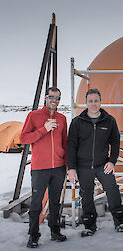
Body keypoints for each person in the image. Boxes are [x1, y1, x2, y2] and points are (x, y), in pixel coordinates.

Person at [67, 88, 123, 236]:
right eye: (90, 101)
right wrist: (72, 168)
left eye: (96, 101)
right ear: (86, 102)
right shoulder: (77, 122)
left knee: (113, 191)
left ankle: (119, 221)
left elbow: (115, 142)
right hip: (83, 166)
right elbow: (71, 145)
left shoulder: (109, 120)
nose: (93, 104)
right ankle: (89, 225)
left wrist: (112, 161)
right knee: (86, 195)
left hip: (103, 165)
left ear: (100, 102)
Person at [20, 87, 67, 248]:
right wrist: (43, 129)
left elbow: (65, 143)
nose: (55, 100)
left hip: (59, 168)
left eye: (58, 98)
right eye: (52, 97)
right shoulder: (34, 116)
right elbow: (24, 138)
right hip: (40, 168)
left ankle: (55, 231)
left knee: (55, 202)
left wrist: (67, 165)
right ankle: (33, 235)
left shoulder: (62, 118)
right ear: (46, 98)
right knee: (36, 203)